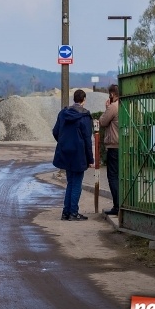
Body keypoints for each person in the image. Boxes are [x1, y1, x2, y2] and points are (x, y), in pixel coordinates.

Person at [52, 89, 95, 221]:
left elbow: (55, 131)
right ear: (84, 100)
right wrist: (91, 159)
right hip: (79, 154)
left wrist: (64, 142)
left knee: (70, 183)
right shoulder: (85, 116)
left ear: (74, 99)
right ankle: (73, 213)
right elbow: (87, 139)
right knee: (76, 184)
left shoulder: (63, 113)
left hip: (65, 152)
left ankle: (66, 212)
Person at [99, 84, 120, 216]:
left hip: (114, 146)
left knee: (112, 176)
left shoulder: (113, 107)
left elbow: (102, 121)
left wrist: (107, 107)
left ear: (112, 94)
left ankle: (117, 206)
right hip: (126, 146)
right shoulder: (127, 105)